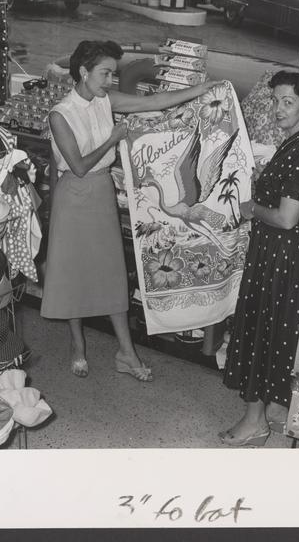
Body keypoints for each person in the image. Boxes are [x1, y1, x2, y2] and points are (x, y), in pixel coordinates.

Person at [41, 40, 217, 381]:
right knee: (74, 273)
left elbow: (153, 102)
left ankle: (126, 352)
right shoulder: (60, 114)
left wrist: (200, 90)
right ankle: (77, 344)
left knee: (111, 272)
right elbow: (78, 166)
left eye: (113, 73)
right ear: (83, 72)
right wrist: (112, 138)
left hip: (101, 192)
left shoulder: (105, 100)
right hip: (73, 196)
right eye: (105, 73)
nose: (110, 80)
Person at [220, 71, 299, 445]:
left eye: (288, 102)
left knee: (261, 332)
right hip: (284, 254)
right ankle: (274, 410)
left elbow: (286, 218)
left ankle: (255, 421)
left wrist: (251, 208)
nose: (278, 109)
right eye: (275, 100)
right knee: (276, 333)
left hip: (279, 255)